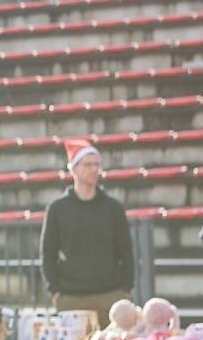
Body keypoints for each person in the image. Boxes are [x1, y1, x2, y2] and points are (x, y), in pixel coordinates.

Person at [40, 139, 134, 327]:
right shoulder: (57, 209)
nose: (94, 169)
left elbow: (126, 251)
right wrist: (55, 290)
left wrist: (125, 288)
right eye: (88, 164)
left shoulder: (113, 208)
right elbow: (47, 252)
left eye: (97, 164)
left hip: (111, 295)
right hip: (71, 298)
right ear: (73, 169)